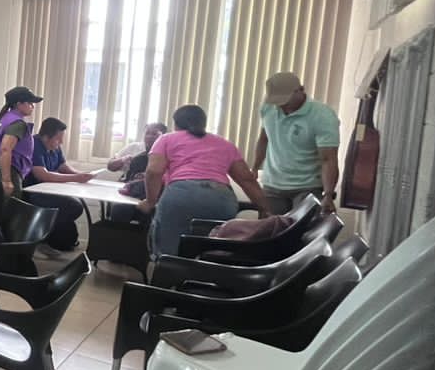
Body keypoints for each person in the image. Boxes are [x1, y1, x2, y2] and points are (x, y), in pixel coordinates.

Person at [140, 104, 273, 258]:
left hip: (181, 195)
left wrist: (150, 202)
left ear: (176, 124)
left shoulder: (166, 139)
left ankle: (166, 271)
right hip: (221, 199)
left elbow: (154, 171)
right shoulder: (225, 144)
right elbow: (247, 179)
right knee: (211, 251)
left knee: (168, 254)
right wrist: (265, 209)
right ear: (203, 123)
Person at [252, 72, 342, 216]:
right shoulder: (268, 108)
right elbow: (264, 139)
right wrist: (255, 167)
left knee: (302, 229)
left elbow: (328, 159)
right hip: (272, 185)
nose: (281, 106)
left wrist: (328, 195)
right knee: (269, 228)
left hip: (308, 187)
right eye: (277, 102)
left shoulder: (323, 116)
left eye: (285, 101)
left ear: (301, 90)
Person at [22, 116, 94, 252]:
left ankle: (56, 239)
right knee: (73, 207)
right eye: (58, 138)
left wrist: (82, 175)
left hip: (52, 190)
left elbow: (63, 166)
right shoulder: (34, 145)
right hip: (35, 193)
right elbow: (42, 175)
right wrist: (76, 178)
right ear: (45, 137)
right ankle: (46, 238)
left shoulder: (55, 146)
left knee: (74, 207)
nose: (61, 142)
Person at [0, 86, 43, 199]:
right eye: (30, 103)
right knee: (9, 207)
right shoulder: (17, 123)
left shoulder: (6, 119)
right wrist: (6, 180)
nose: (32, 106)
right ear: (18, 104)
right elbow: (5, 149)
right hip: (8, 170)